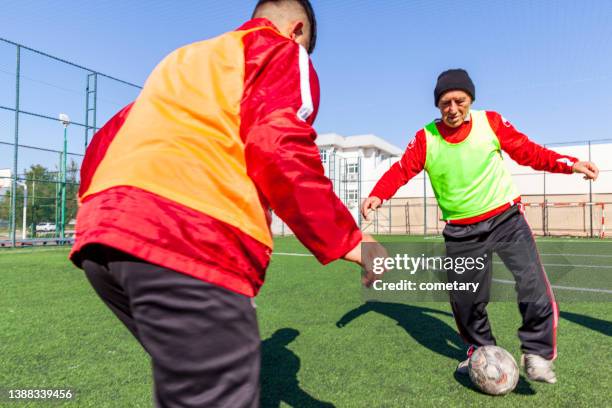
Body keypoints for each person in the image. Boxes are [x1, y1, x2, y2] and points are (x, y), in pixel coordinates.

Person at [71, 1, 382, 406]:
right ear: (297, 30)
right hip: (188, 235)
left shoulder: (186, 59)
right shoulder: (280, 51)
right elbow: (277, 143)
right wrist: (352, 243)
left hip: (104, 240)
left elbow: (107, 138)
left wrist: (100, 215)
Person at [362, 69, 599, 384]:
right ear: (437, 105)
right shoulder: (425, 138)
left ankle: (537, 352)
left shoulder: (491, 123)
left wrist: (570, 165)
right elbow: (402, 169)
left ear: (470, 99)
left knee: (532, 283)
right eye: (446, 102)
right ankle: (480, 350)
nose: (453, 108)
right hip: (461, 232)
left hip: (506, 219)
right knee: (466, 299)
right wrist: (378, 193)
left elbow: (529, 152)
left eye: (460, 100)